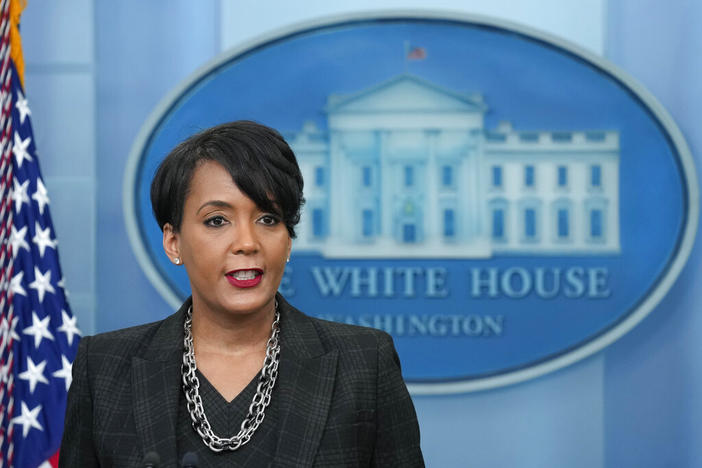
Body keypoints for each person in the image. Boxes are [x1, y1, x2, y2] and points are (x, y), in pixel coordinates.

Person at [59, 121, 424, 467]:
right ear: (174, 242)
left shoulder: (363, 364)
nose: (247, 243)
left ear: (288, 240)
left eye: (268, 219)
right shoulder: (104, 369)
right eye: (217, 220)